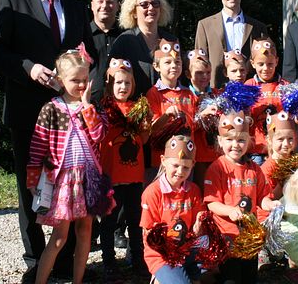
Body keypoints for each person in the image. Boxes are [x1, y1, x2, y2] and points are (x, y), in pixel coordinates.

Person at [0, 0, 97, 282]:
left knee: (68, 186)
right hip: (28, 112)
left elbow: (89, 55)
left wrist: (84, 87)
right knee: (32, 188)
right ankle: (36, 260)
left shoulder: (77, 8)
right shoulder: (11, 1)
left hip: (70, 117)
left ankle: (62, 262)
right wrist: (29, 68)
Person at [25, 49, 111, 284]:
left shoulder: (93, 107)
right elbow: (37, 146)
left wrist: (87, 108)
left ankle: (78, 280)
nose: (81, 85)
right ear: (61, 81)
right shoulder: (51, 109)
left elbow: (100, 135)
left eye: (85, 80)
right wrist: (33, 180)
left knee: (85, 232)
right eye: (75, 80)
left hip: (88, 179)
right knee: (59, 237)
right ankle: (40, 281)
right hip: (63, 181)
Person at [204, 110, 277, 284]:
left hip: (249, 235)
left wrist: (271, 204)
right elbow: (211, 203)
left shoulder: (254, 169)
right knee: (231, 277)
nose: (235, 145)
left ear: (249, 142)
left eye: (241, 140)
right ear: (220, 141)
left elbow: (262, 197)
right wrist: (229, 211)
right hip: (227, 235)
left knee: (249, 277)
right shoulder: (217, 168)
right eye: (229, 140)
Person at [98, 58, 149, 278]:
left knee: (135, 221)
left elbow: (144, 139)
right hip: (111, 176)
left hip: (134, 176)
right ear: (110, 84)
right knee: (108, 222)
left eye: (127, 83)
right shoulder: (104, 109)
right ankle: (108, 262)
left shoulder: (138, 108)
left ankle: (138, 259)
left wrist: (148, 126)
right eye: (118, 82)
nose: (123, 87)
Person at [140, 135, 206, 284]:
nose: (180, 171)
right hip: (161, 254)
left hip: (187, 248)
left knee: (214, 259)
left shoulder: (194, 190)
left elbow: (199, 217)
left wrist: (199, 224)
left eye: (186, 167)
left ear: (193, 164)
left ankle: (189, 275)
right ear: (163, 160)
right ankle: (159, 277)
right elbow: (148, 232)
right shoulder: (153, 192)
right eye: (175, 165)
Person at [194, 0, 268, 89]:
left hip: (251, 88)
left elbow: (265, 59)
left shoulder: (258, 27)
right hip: (216, 88)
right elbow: (199, 62)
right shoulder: (205, 25)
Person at [109, 0, 176, 98]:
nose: (151, 8)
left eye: (155, 4)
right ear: (133, 12)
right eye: (144, 4)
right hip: (134, 111)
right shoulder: (124, 41)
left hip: (167, 109)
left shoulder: (171, 41)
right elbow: (112, 81)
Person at [145, 39, 198, 181]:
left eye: (178, 62)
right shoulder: (154, 93)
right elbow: (151, 129)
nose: (174, 66)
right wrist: (166, 116)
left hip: (187, 158)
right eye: (168, 62)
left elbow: (195, 124)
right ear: (156, 66)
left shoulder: (189, 94)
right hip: (163, 160)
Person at [245, 37, 288, 163]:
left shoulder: (285, 86)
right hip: (256, 149)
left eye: (270, 64)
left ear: (277, 61)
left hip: (280, 150)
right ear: (253, 63)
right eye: (260, 64)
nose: (265, 68)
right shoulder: (249, 85)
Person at [89, 0, 122, 103]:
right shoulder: (81, 36)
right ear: (92, 5)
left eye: (109, 2)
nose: (104, 6)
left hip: (121, 107)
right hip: (87, 106)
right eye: (100, 1)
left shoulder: (127, 37)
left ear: (118, 6)